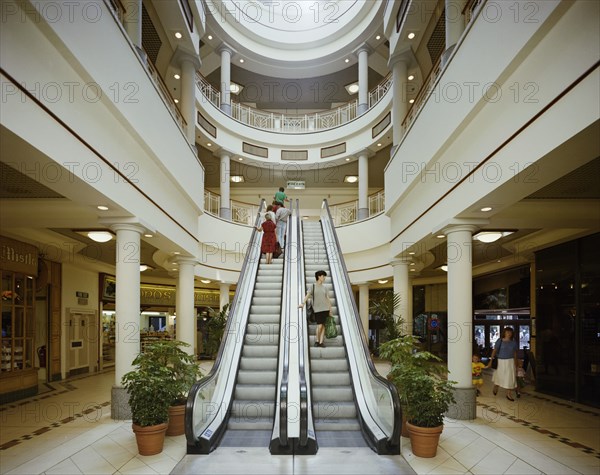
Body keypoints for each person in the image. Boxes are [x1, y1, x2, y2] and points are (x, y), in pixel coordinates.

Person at [298, 270, 332, 348]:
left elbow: (328, 299)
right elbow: (307, 295)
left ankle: (321, 342)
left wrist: (330, 309)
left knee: (323, 326)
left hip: (325, 309)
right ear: (319, 277)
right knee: (319, 325)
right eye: (323, 276)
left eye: (324, 276)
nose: (324, 278)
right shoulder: (312, 286)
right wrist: (303, 304)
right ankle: (317, 340)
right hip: (317, 309)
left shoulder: (325, 287)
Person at [490, 327, 519, 401]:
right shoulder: (500, 341)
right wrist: (491, 360)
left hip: (510, 361)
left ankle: (508, 394)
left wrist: (516, 363)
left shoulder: (513, 342)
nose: (509, 334)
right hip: (501, 361)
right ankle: (496, 385)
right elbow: (495, 350)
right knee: (500, 375)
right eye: (507, 332)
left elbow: (515, 353)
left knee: (510, 377)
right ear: (504, 333)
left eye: (510, 332)